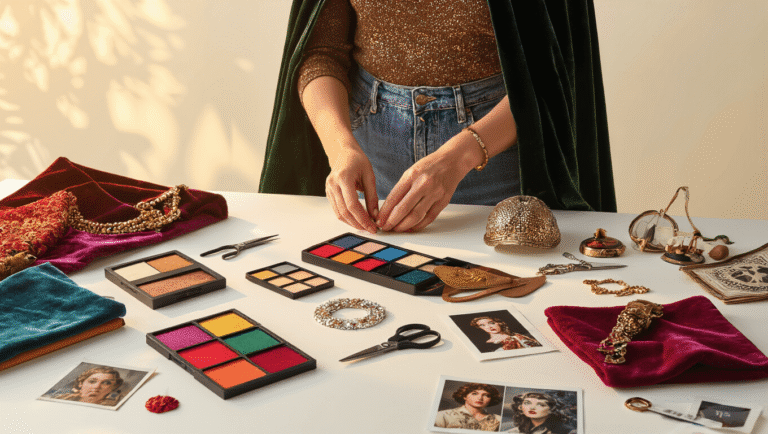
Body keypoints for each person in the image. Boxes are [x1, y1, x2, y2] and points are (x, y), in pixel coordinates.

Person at [260, 0, 617, 233]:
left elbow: (553, 76)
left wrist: (460, 156)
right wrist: (340, 149)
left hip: (498, 156)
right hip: (370, 159)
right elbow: (320, 53)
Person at [434, 383, 503, 431]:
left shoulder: (499, 420)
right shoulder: (443, 416)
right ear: (464, 396)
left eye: (486, 395)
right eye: (474, 393)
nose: (480, 398)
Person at [507, 392, 575, 434]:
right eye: (527, 403)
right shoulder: (514, 431)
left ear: (551, 409)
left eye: (540, 404)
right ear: (520, 407)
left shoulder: (567, 431)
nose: (532, 407)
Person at [54, 367, 124, 406]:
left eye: (106, 383)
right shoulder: (61, 399)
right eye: (92, 381)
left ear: (114, 387)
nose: (97, 386)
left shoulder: (114, 405)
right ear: (81, 383)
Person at [470, 316, 541, 351]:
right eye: (483, 325)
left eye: (491, 323)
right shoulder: (489, 344)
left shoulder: (516, 335)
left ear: (498, 323)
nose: (489, 327)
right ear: (480, 328)